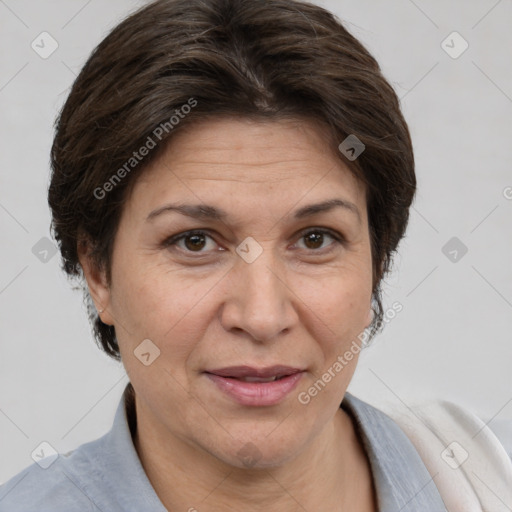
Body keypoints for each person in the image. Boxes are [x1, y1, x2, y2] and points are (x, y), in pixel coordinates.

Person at [1, 0, 510, 510]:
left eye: (315, 239)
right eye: (195, 241)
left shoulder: (487, 479)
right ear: (98, 271)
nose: (262, 317)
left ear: (378, 261)